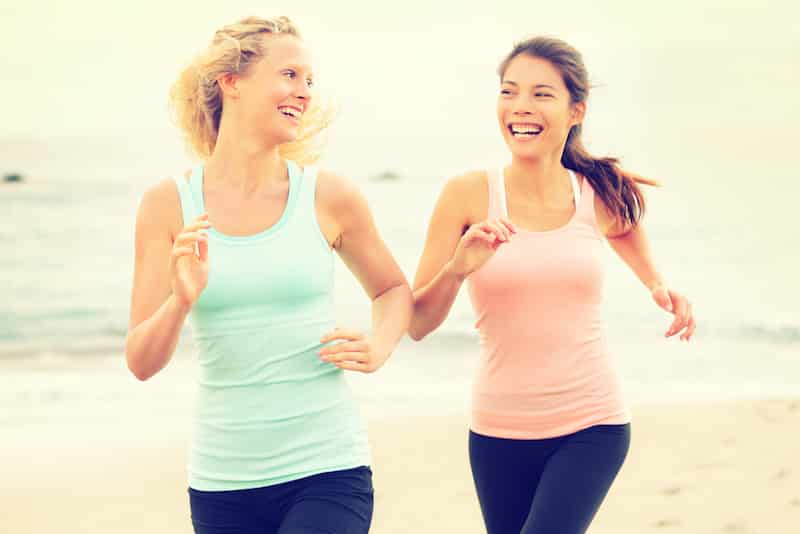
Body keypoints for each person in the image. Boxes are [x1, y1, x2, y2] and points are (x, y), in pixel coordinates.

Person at [125, 16, 412, 534]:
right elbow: (141, 361)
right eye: (289, 75)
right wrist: (181, 302)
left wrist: (380, 344)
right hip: (222, 481)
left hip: (327, 467)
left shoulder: (329, 197)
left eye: (308, 81)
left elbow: (392, 289)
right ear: (230, 82)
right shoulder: (167, 205)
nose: (303, 93)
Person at [409, 36, 695, 534]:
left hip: (592, 421)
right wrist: (458, 268)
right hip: (497, 430)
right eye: (508, 91)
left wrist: (656, 284)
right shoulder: (467, 194)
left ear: (574, 110)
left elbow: (625, 225)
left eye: (541, 94)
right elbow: (416, 323)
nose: (520, 107)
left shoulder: (596, 191)